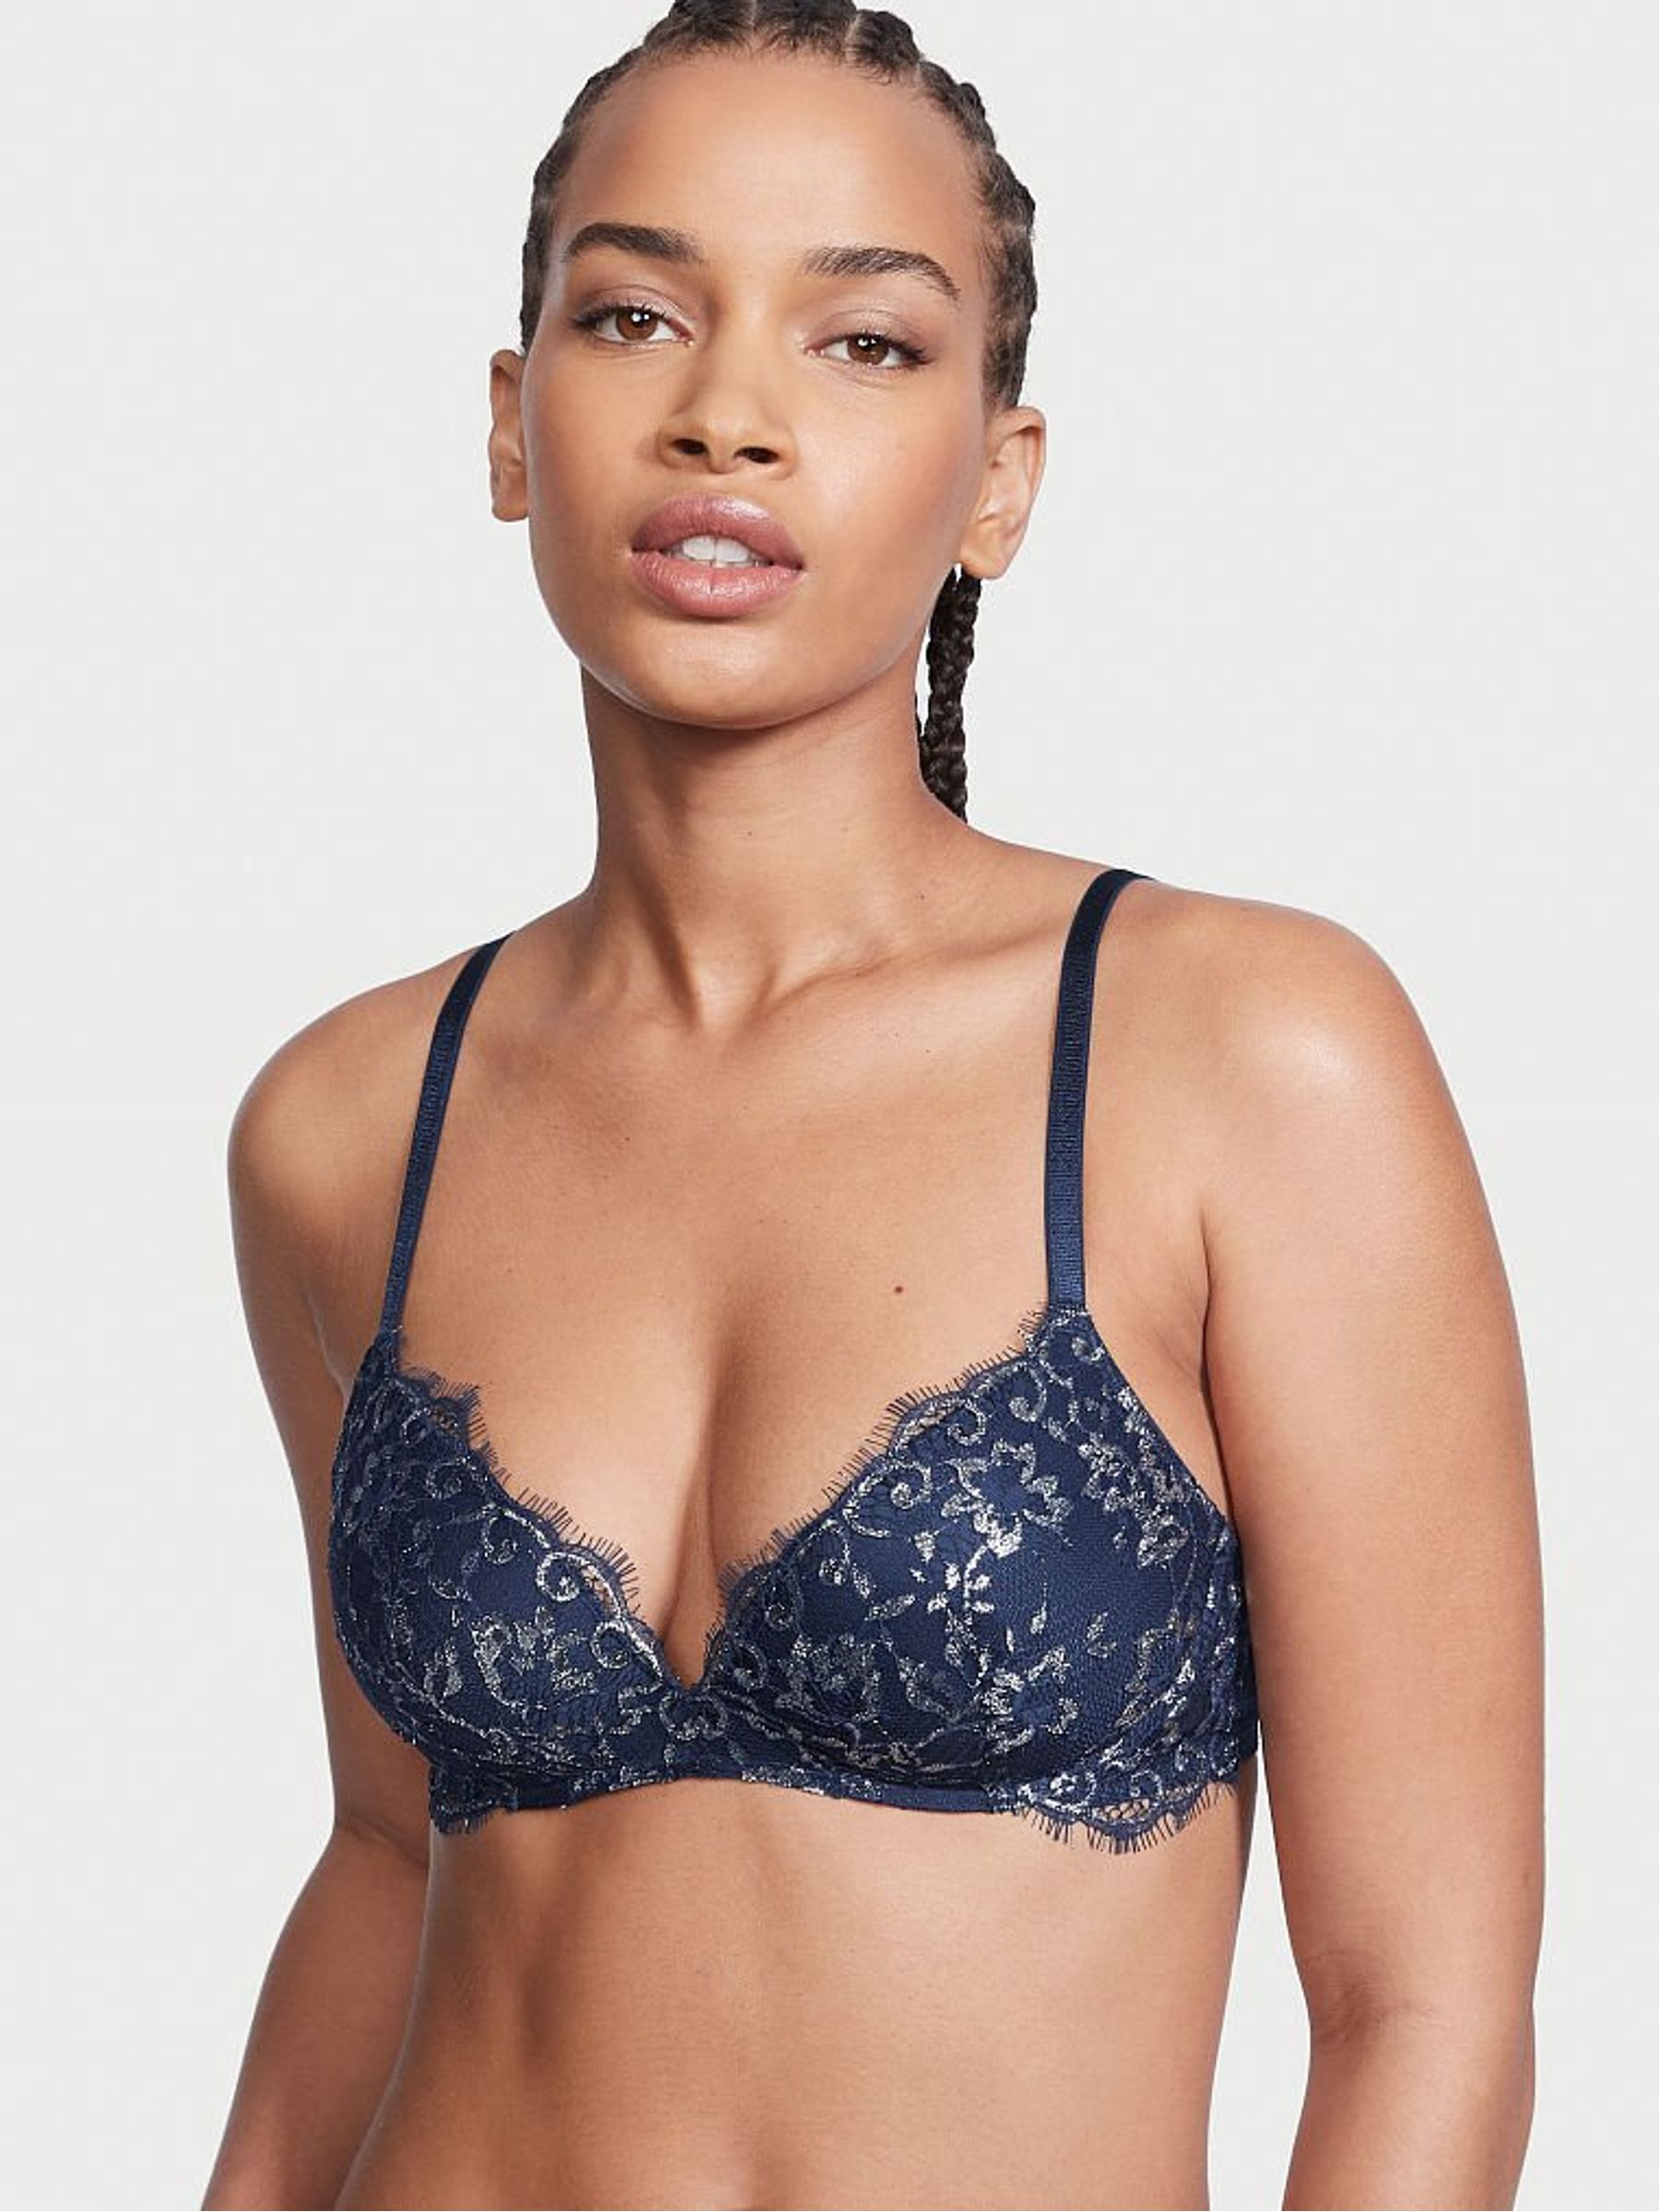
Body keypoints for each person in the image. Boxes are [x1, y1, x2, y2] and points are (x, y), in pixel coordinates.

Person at [202, 4, 1544, 2206]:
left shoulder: (1243, 1057)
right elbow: (385, 1856)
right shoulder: (349, 1127)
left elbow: (1426, 2001)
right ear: (514, 424)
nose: (726, 413)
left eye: (865, 343)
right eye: (634, 315)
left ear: (998, 480)